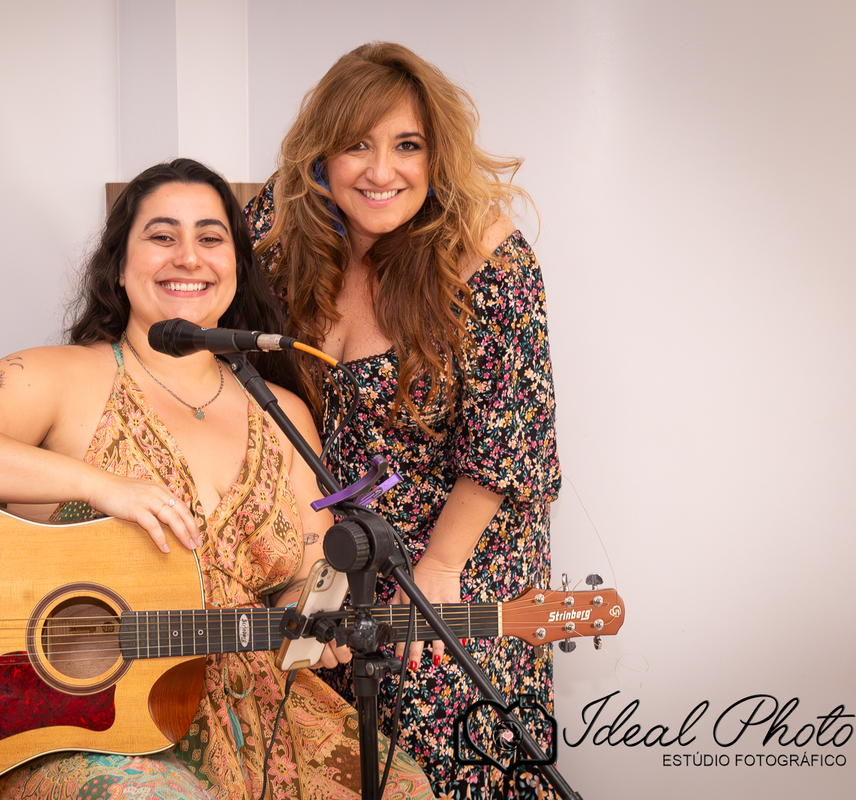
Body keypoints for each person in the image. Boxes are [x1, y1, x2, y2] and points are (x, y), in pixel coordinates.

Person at [0, 158, 432, 800]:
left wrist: (321, 615)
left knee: (403, 787)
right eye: (162, 235)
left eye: (210, 237)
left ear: (236, 265)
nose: (188, 256)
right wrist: (102, 486)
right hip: (79, 721)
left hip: (262, 714)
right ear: (120, 265)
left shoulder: (282, 412)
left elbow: (305, 579)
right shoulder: (62, 376)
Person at [244, 43, 561, 799]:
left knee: (436, 745)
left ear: (436, 155)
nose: (381, 170)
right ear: (320, 154)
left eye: (407, 145)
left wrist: (438, 571)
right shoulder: (277, 233)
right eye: (357, 144)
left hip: (458, 551)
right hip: (329, 552)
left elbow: (511, 442)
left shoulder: (485, 258)